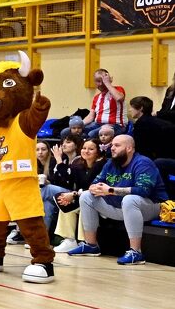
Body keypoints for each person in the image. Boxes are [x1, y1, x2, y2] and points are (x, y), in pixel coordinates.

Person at [65, 134, 169, 265]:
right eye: (112, 145)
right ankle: (91, 245)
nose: (112, 148)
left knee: (130, 200)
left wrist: (110, 190)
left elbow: (144, 190)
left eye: (117, 145)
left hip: (151, 207)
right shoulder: (110, 163)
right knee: (86, 196)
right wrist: (94, 188)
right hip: (121, 207)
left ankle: (136, 252)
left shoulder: (143, 163)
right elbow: (96, 182)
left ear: (129, 148)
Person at [127, 96, 175, 160]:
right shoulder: (158, 122)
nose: (129, 110)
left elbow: (140, 148)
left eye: (132, 107)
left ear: (141, 108)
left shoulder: (141, 124)